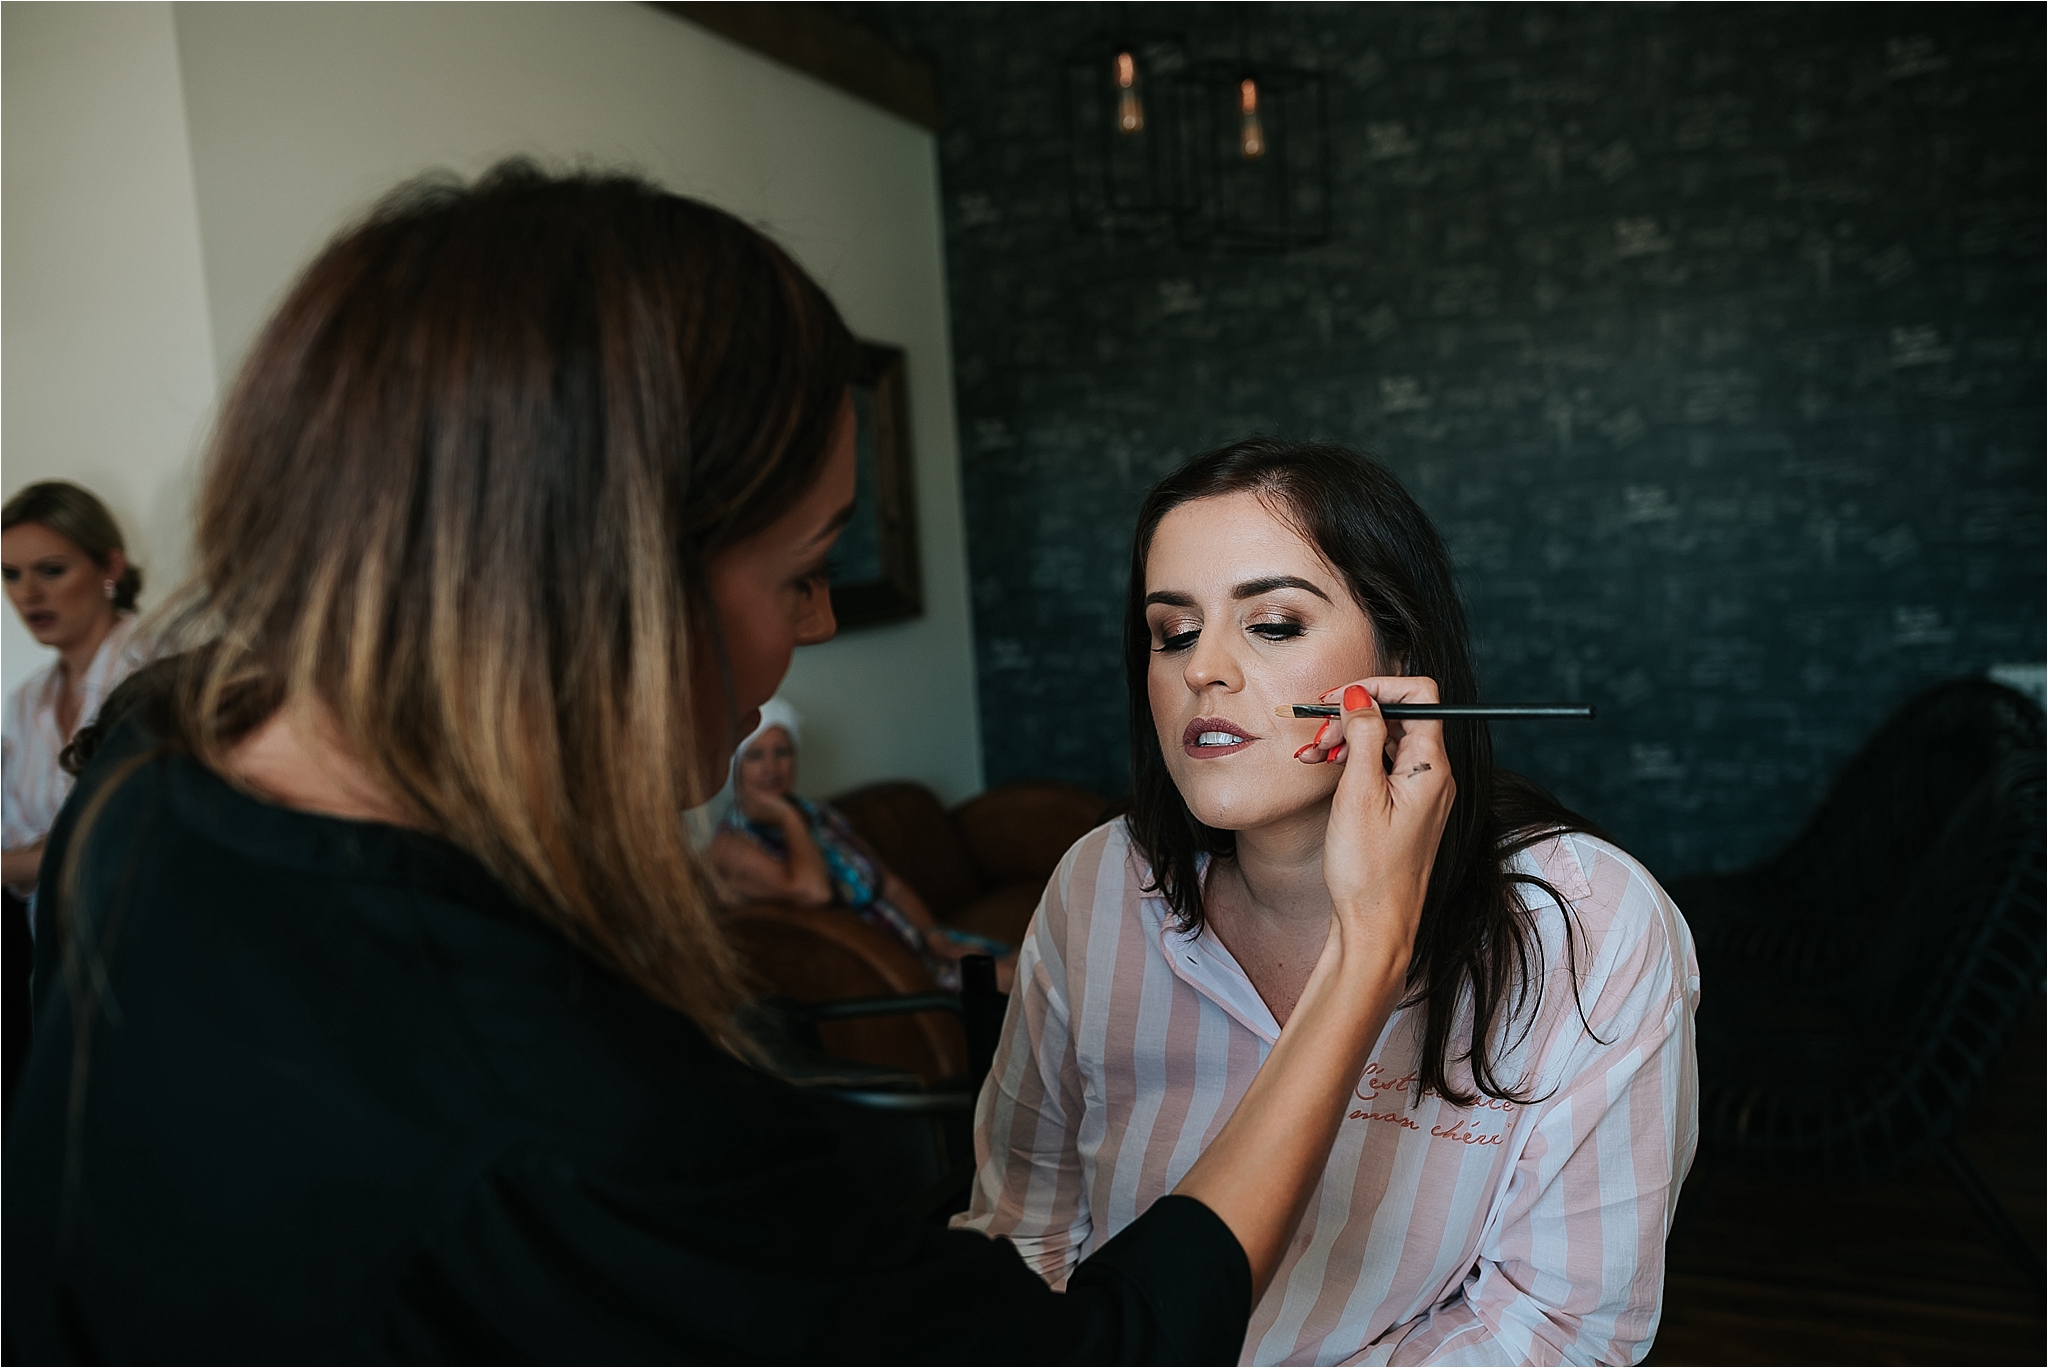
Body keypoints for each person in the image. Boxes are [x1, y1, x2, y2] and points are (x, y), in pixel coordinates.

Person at [3, 166, 1455, 1363]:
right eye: (804, 570)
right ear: (609, 589)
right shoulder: (579, 1119)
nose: (808, 632)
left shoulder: (149, 770)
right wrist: (1364, 955)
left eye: (1272, 621)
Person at [958, 440, 1700, 1365]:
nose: (1204, 671)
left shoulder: (1589, 923)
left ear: (1399, 658)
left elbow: (1556, 1330)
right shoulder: (1096, 887)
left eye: (1271, 625)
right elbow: (1022, 1230)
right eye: (1173, 632)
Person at [711, 698, 1016, 993]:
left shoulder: (817, 814)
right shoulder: (733, 845)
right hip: (880, 975)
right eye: (755, 756)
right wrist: (788, 817)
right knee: (1027, 987)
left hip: (917, 944)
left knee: (1037, 962)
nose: (771, 768)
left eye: (782, 752)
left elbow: (889, 885)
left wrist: (934, 935)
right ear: (734, 766)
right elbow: (814, 892)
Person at [1, 481, 150, 901]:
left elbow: (131, 836)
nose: (28, 594)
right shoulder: (26, 701)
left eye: (51, 570)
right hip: (51, 950)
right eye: (10, 574)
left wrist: (19, 862)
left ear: (110, 568)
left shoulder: (157, 671)